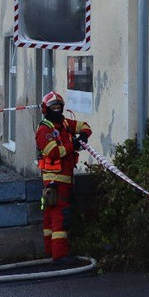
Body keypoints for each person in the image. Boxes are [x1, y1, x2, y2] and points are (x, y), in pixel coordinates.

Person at [36, 91, 91, 261]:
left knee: (51, 218)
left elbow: (85, 126)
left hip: (64, 180)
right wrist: (72, 144)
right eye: (54, 107)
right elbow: (54, 152)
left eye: (59, 107)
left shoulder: (65, 124)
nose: (57, 110)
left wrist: (82, 135)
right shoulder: (44, 129)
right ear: (46, 109)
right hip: (54, 181)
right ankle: (59, 255)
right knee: (59, 217)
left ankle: (50, 251)